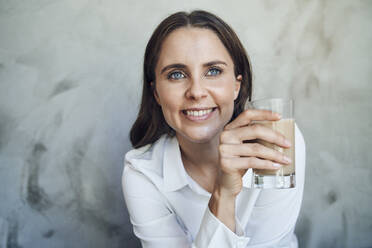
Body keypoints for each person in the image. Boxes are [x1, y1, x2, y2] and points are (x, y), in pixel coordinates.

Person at [122, 10, 306, 248]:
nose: (196, 92)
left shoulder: (277, 143)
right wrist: (223, 194)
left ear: (237, 86)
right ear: (156, 92)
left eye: (213, 71)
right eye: (176, 74)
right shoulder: (142, 173)